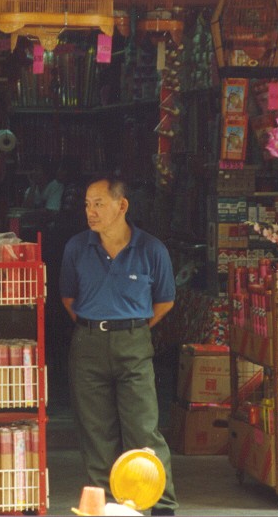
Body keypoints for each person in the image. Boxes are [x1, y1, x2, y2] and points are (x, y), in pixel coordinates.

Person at [59, 175, 178, 516]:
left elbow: (165, 301)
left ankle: (160, 503)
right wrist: (96, 325)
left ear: (121, 205)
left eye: (98, 203)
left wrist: (132, 328)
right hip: (88, 343)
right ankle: (107, 505)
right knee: (96, 430)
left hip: (134, 343)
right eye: (86, 204)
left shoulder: (152, 249)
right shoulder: (77, 248)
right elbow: (68, 298)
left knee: (143, 427)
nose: (90, 212)